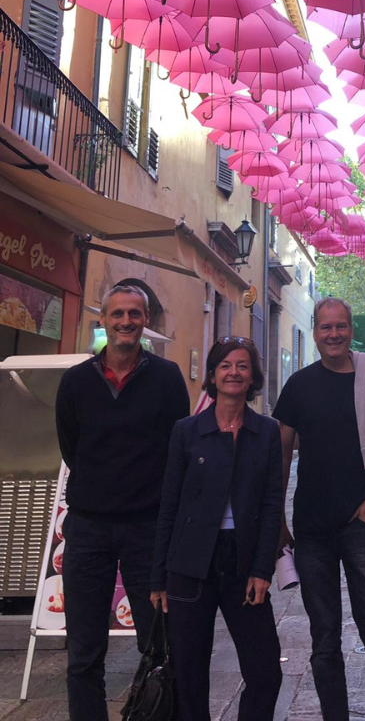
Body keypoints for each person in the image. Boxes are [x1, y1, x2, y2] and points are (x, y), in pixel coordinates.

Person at [272, 297, 365, 721]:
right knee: (324, 639)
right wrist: (277, 519)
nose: (334, 334)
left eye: (341, 326)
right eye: (326, 327)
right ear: (314, 332)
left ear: (351, 330)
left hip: (361, 522)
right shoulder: (298, 385)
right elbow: (280, 453)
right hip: (312, 529)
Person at [55, 284, 189, 721]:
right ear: (103, 320)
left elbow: (176, 450)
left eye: (135, 314)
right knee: (83, 651)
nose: (126, 322)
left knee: (158, 645)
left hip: (146, 529)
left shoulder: (167, 378)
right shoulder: (75, 381)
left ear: (145, 321)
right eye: (118, 314)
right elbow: (71, 447)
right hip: (89, 529)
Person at [150, 337, 283, 720]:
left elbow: (273, 503)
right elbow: (169, 505)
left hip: (241, 562)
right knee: (189, 673)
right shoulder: (187, 431)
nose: (234, 372)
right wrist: (158, 576)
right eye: (225, 365)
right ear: (212, 375)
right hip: (190, 562)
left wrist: (262, 570)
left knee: (265, 670)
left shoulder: (266, 432)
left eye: (242, 366)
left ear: (253, 376)